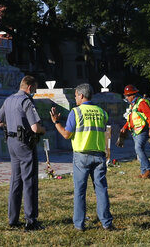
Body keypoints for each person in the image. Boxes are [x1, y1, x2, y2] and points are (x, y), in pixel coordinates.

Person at [50, 83, 114, 231]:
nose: (75, 98)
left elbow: (66, 134)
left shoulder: (76, 112)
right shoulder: (102, 112)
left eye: (76, 96)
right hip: (99, 154)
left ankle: (79, 224)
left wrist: (56, 122)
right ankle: (106, 222)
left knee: (80, 190)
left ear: (81, 95)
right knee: (101, 189)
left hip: (82, 156)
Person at [0, 75, 47, 231]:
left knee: (16, 180)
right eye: (35, 89)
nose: (35, 92)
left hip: (11, 142)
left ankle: (13, 219)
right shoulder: (26, 101)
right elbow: (35, 128)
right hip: (24, 143)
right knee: (29, 180)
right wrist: (43, 130)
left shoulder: (8, 100)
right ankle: (31, 220)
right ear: (29, 87)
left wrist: (10, 125)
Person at [118, 84, 150, 179]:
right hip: (136, 131)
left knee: (138, 148)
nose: (126, 98)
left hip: (142, 130)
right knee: (139, 150)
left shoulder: (141, 103)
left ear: (133, 95)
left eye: (127, 96)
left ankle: (149, 169)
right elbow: (131, 119)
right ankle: (144, 172)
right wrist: (125, 127)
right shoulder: (133, 105)